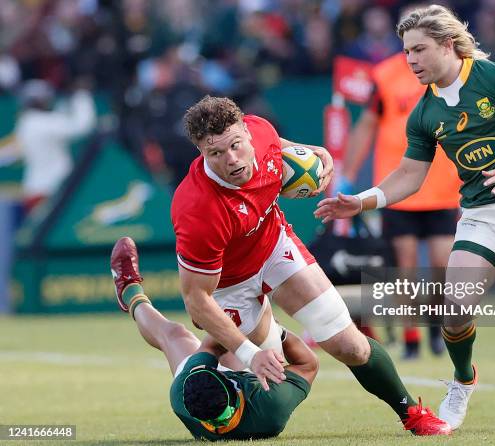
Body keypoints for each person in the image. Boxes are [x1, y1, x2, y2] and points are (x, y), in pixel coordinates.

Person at [315, 4, 495, 430]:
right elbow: (410, 175)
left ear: (448, 45)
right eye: (406, 51)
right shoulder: (425, 112)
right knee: (455, 309)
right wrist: (364, 200)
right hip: (481, 214)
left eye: (419, 49)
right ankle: (463, 380)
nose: (410, 59)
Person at [169, 95, 451, 435]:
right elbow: (197, 300)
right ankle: (146, 309)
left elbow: (282, 147)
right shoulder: (197, 208)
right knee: (247, 385)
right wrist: (248, 353)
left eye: (235, 145)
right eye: (216, 153)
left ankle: (412, 413)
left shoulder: (261, 131)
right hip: (229, 285)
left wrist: (317, 152)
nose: (232, 159)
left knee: (352, 346)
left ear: (247, 132)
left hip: (274, 249)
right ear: (201, 153)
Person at [110, 236, 316, 441]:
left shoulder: (182, 393)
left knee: (173, 334)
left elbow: (211, 345)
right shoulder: (271, 403)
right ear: (232, 384)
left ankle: (129, 291)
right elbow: (308, 365)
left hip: (208, 406)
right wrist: (278, 332)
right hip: (254, 401)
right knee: (242, 328)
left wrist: (208, 316)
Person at [340, 47, 462, 359]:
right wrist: (347, 173)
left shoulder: (451, 70)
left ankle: (435, 326)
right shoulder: (385, 74)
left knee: (442, 264)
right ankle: (410, 339)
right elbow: (366, 124)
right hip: (398, 187)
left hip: (443, 186)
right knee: (404, 267)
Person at [14, 79, 95, 212]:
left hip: (36, 189)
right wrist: (82, 95)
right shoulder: (40, 122)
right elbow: (82, 126)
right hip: (49, 191)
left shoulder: (26, 122)